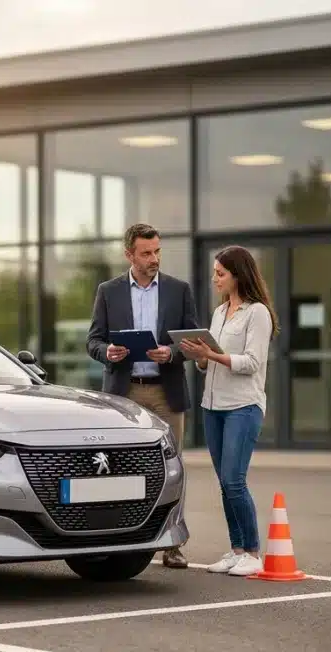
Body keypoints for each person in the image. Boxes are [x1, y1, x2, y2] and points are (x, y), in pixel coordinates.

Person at [86, 222, 199, 569]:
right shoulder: (109, 291)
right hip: (125, 394)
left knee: (173, 468)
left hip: (166, 392)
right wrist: (109, 353)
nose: (154, 259)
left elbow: (193, 343)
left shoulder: (179, 290)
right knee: (120, 468)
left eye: (157, 251)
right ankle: (122, 538)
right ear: (129, 254)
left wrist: (172, 352)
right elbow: (93, 341)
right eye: (146, 253)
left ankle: (172, 544)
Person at [179, 245, 278, 577]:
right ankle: (237, 551)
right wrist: (200, 356)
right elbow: (211, 366)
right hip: (213, 407)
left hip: (243, 408)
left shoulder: (258, 313)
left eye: (220, 273)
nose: (214, 278)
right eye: (214, 272)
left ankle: (252, 552)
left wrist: (215, 355)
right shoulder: (220, 313)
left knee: (235, 480)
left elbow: (251, 363)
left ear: (238, 275)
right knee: (224, 483)